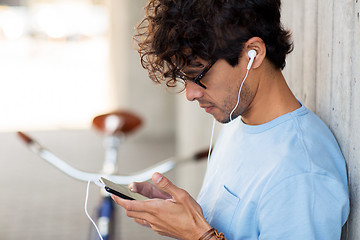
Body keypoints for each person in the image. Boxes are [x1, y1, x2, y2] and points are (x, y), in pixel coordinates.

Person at [111, 0, 350, 239]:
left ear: (252, 54)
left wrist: (198, 234)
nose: (191, 94)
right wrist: (185, 217)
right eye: (185, 78)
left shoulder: (301, 175)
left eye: (198, 74)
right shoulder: (239, 123)